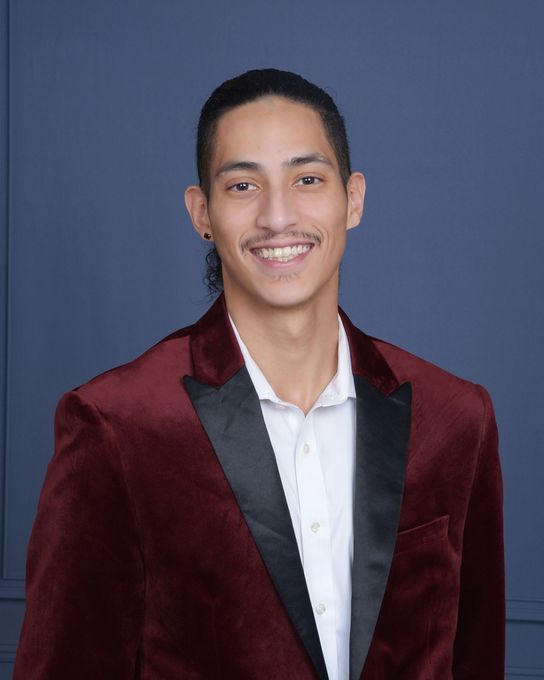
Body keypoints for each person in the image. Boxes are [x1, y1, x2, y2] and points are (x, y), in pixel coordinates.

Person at [14, 68, 505, 680]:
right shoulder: (117, 427)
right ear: (203, 213)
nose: (278, 216)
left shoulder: (456, 418)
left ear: (352, 199)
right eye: (244, 184)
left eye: (307, 179)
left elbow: (476, 657)